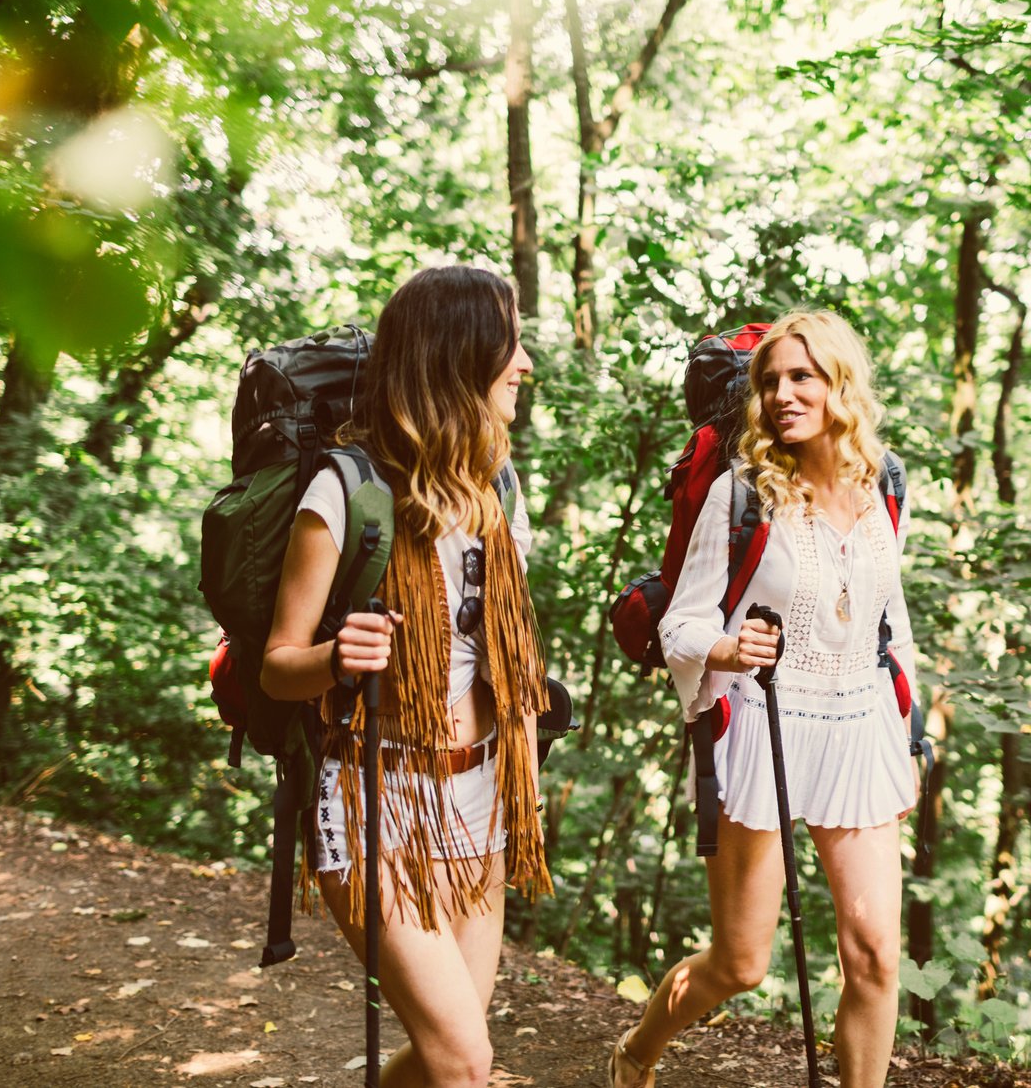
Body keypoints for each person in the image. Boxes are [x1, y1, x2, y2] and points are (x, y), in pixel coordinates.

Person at [610, 308, 922, 1088]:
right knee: (741, 962)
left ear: (840, 383)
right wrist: (726, 646)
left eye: (802, 377)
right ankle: (638, 1048)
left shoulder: (882, 482)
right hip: (761, 725)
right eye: (772, 380)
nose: (783, 393)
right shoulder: (742, 492)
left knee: (877, 953)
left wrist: (910, 721)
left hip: (858, 729)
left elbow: (889, 611)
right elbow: (682, 620)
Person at [259, 265, 549, 1088]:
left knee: (440, 1057)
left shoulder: (498, 487)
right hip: (372, 800)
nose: (524, 363)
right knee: (465, 1059)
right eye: (510, 344)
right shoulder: (345, 490)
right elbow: (280, 666)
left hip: (479, 798)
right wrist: (335, 657)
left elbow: (500, 651)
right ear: (458, 357)